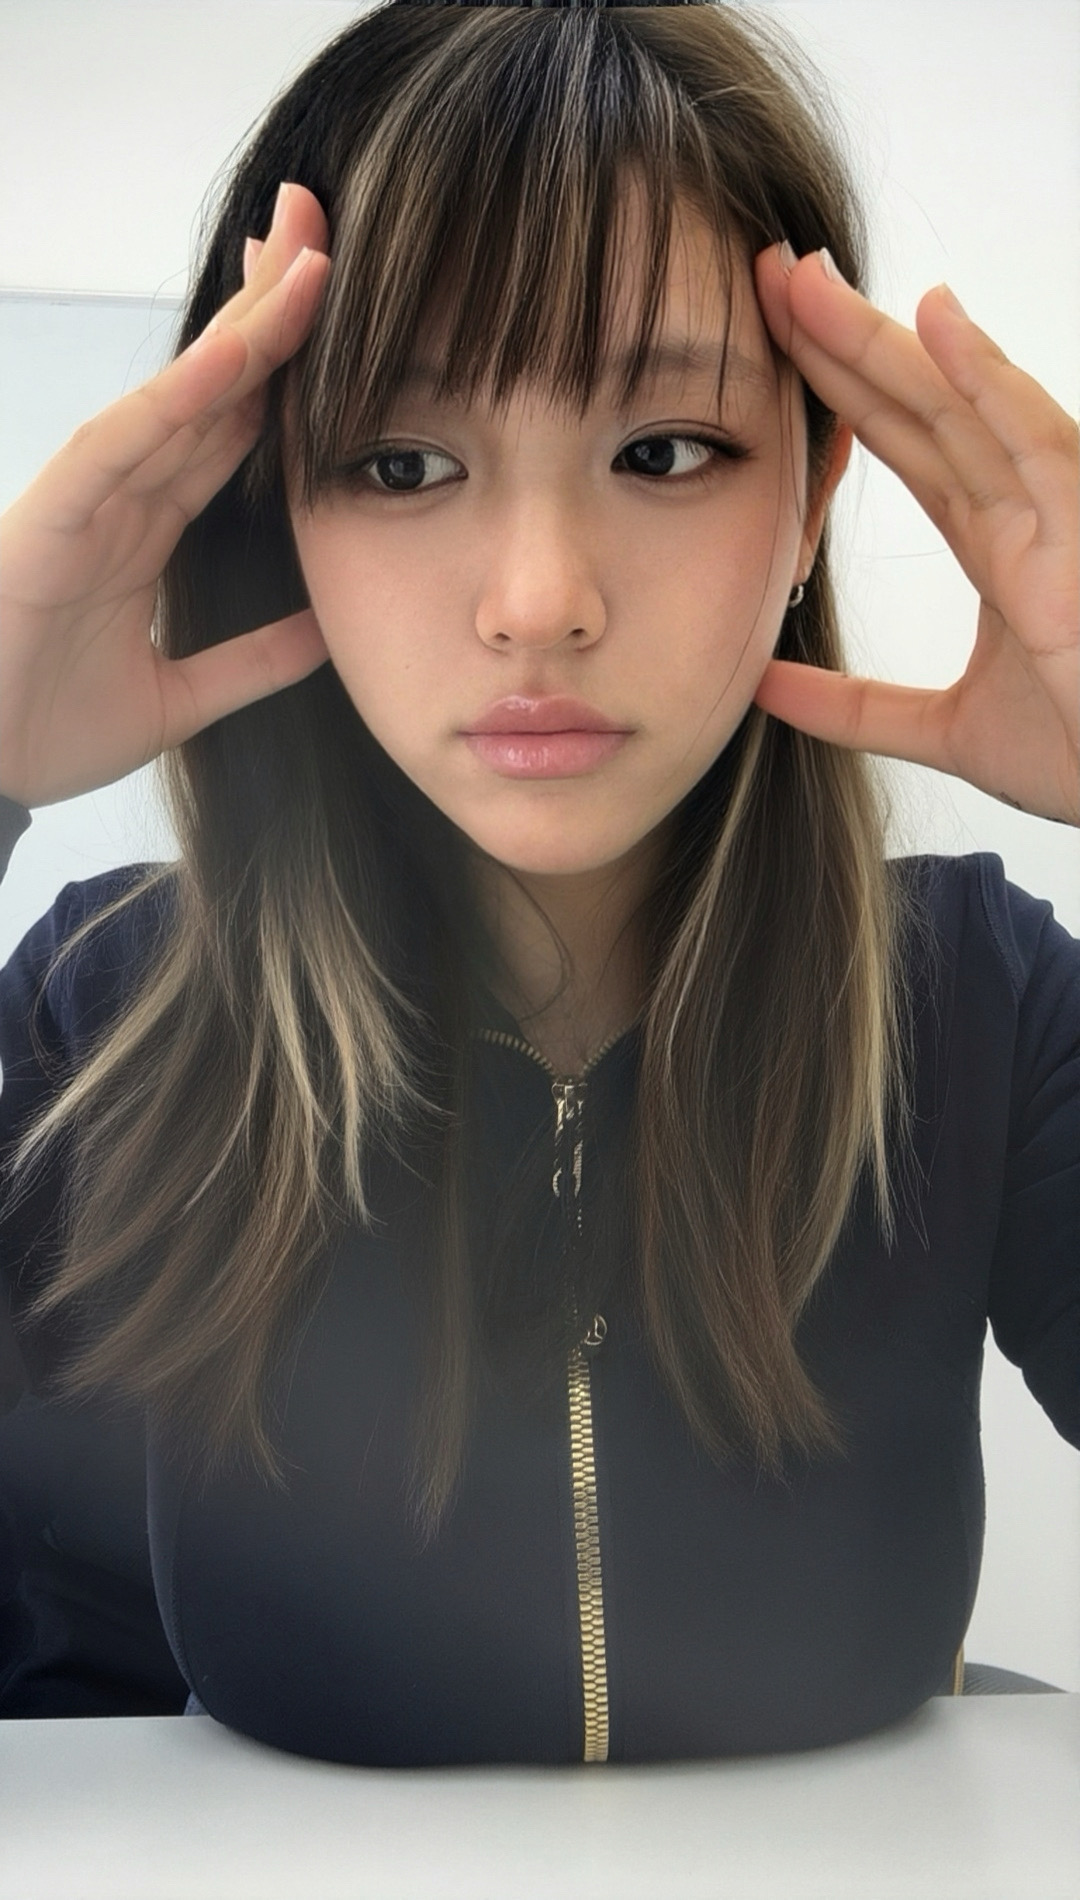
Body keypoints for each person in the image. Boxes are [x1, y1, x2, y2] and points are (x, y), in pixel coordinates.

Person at [0, 0, 1076, 1765]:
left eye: (665, 451)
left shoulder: (978, 998)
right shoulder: (105, 1010)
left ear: (811, 494)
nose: (538, 602)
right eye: (403, 463)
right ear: (276, 502)